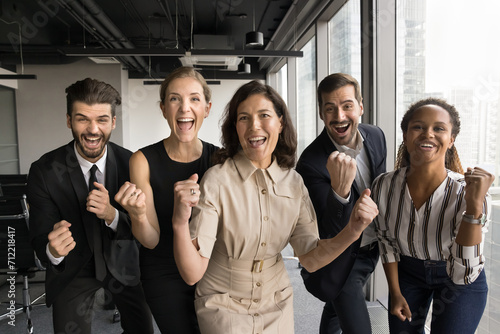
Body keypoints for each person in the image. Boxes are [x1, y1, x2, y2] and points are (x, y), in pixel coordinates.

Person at [170, 80, 379, 334]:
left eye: (264, 115)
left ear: (280, 122)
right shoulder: (217, 179)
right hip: (222, 304)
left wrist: (353, 230)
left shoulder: (294, 182)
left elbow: (311, 258)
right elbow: (192, 274)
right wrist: (180, 222)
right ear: (235, 127)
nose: (254, 126)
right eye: (244, 118)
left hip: (276, 301)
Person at [27, 78, 153, 334]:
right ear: (68, 120)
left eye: (102, 120)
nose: (93, 130)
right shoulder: (44, 171)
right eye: (82, 119)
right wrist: (53, 250)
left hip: (124, 263)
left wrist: (112, 214)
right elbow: (41, 239)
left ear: (113, 122)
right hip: (74, 269)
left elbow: (146, 228)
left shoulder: (133, 163)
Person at [372, 97, 494, 333]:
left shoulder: (468, 192)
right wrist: (395, 293)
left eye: (439, 128)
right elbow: (386, 241)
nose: (428, 133)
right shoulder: (384, 185)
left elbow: (463, 272)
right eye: (418, 127)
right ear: (406, 136)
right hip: (407, 273)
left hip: (459, 280)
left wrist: (474, 206)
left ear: (451, 140)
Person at [115, 66, 218, 333]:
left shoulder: (221, 160)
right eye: (175, 99)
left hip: (211, 268)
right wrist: (137, 214)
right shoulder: (142, 160)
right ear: (163, 108)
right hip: (163, 272)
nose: (184, 108)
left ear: (207, 108)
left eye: (194, 99)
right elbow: (150, 239)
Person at [296, 73, 386, 334]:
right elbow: (326, 231)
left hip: (372, 250)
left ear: (361, 106)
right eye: (330, 108)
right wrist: (340, 191)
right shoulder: (310, 163)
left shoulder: (376, 136)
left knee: (336, 309)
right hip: (340, 258)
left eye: (347, 105)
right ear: (322, 114)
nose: (339, 116)